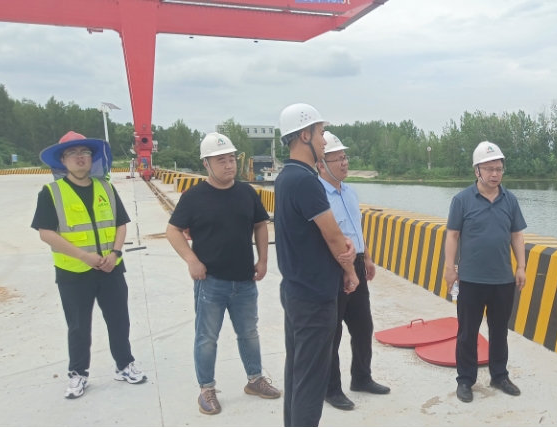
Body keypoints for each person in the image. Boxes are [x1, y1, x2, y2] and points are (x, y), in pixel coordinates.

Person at [166, 132, 280, 416]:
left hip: (245, 281)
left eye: (231, 159)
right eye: (221, 160)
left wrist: (263, 260)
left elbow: (260, 224)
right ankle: (206, 389)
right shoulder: (194, 197)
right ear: (206, 164)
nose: (229, 165)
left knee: (249, 333)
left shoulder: (246, 192)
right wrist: (192, 260)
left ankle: (255, 380)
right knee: (207, 337)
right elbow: (173, 230)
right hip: (211, 282)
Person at [32, 131, 146, 399]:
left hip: (111, 268)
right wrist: (83, 256)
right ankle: (78, 374)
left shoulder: (106, 187)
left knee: (119, 320)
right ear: (63, 160)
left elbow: (120, 224)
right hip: (73, 273)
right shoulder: (51, 192)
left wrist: (115, 253)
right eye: (72, 153)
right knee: (78, 326)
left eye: (84, 152)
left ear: (91, 158)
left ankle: (124, 365)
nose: (79, 157)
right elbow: (46, 233)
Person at [274, 103, 359, 427]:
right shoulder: (307, 181)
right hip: (314, 296)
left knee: (297, 371)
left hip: (296, 289)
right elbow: (333, 235)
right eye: (321, 133)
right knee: (311, 380)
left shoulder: (286, 177)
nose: (325, 140)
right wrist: (350, 270)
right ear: (305, 135)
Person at [444, 141, 528, 403]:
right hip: (470, 279)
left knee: (500, 331)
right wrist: (449, 268)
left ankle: (499, 376)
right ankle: (465, 380)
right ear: (477, 171)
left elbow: (516, 235)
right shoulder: (462, 200)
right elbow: (453, 235)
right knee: (467, 333)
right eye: (489, 169)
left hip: (502, 280)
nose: (495, 174)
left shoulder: (510, 200)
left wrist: (521, 266)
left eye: (499, 169)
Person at [316, 132, 390, 411]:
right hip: (334, 267)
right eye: (338, 158)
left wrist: (366, 258)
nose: (345, 162)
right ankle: (331, 388)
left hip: (356, 263)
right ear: (322, 164)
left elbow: (356, 229)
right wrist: (347, 268)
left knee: (363, 327)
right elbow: (330, 237)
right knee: (332, 332)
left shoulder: (349, 192)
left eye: (345, 157)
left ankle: (362, 378)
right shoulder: (318, 195)